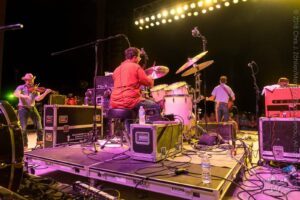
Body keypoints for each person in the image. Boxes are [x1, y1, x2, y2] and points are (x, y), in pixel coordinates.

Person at [110, 47, 160, 129]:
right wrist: (151, 77)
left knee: (131, 111)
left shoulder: (116, 69)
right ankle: (156, 135)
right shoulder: (136, 67)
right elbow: (148, 83)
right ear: (135, 57)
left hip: (115, 102)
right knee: (155, 106)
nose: (140, 59)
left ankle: (130, 135)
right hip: (129, 101)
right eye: (139, 57)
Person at [14, 73, 52, 151]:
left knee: (39, 124)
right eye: (27, 80)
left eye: (31, 80)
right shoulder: (21, 87)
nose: (29, 81)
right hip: (23, 108)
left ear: (33, 80)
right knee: (23, 128)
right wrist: (24, 96)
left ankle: (40, 142)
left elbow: (38, 99)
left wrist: (45, 93)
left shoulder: (35, 89)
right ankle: (25, 145)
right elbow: (16, 94)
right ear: (25, 80)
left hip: (32, 107)